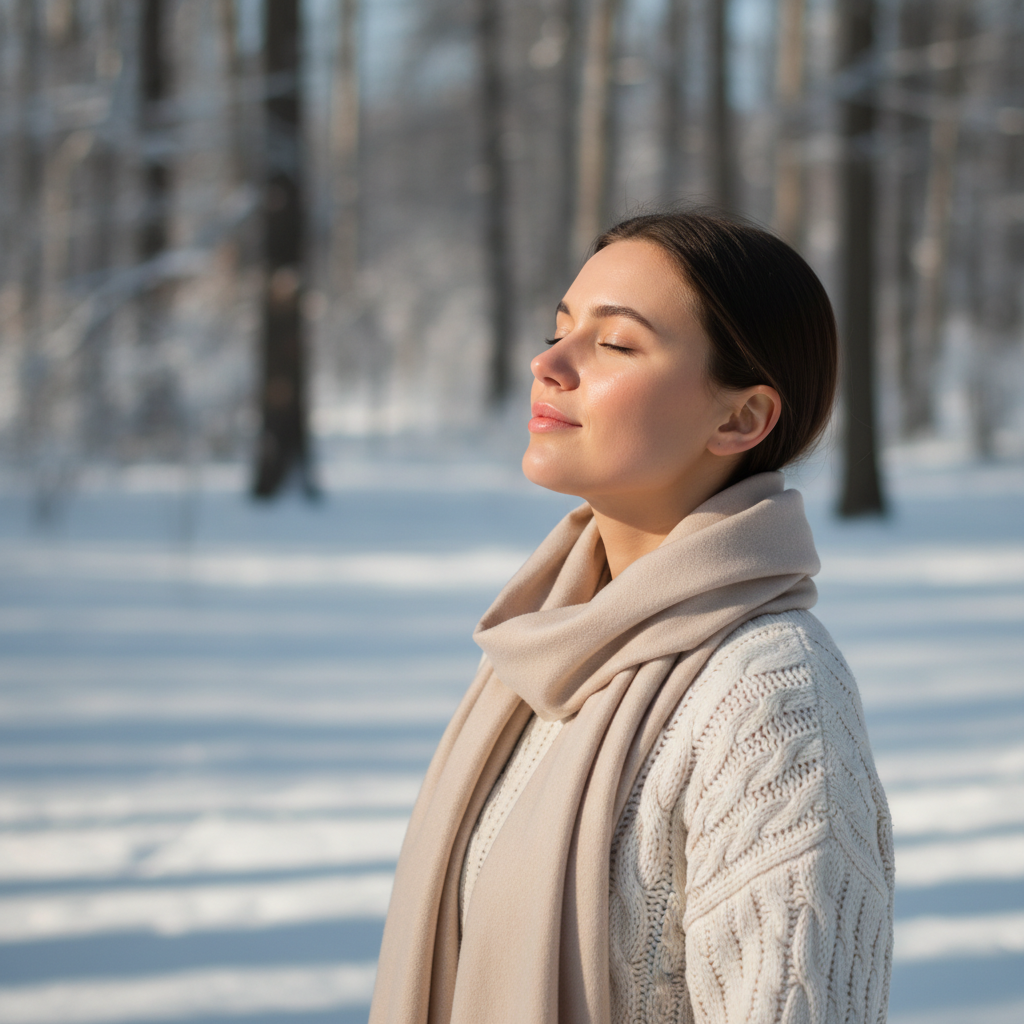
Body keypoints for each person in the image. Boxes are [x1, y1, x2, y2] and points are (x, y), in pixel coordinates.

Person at [370, 211, 895, 1024]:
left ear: (741, 419)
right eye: (560, 329)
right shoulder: (545, 653)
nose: (548, 365)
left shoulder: (772, 700)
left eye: (615, 344)